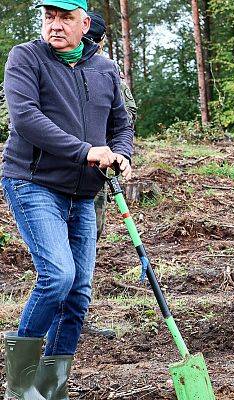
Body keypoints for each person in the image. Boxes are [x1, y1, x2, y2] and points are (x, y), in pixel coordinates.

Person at [1, 0, 134, 397]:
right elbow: (25, 119)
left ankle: (49, 389)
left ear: (84, 23)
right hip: (33, 182)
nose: (55, 26)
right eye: (49, 17)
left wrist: (122, 152)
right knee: (58, 276)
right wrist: (85, 151)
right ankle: (20, 386)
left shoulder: (104, 68)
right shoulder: (26, 58)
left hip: (84, 193)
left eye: (65, 18)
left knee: (77, 294)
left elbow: (121, 124)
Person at [83, 11, 137, 243]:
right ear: (103, 40)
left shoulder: (108, 69)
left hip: (97, 160)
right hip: (85, 160)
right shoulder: (109, 69)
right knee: (88, 231)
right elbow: (129, 114)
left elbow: (125, 118)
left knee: (87, 231)